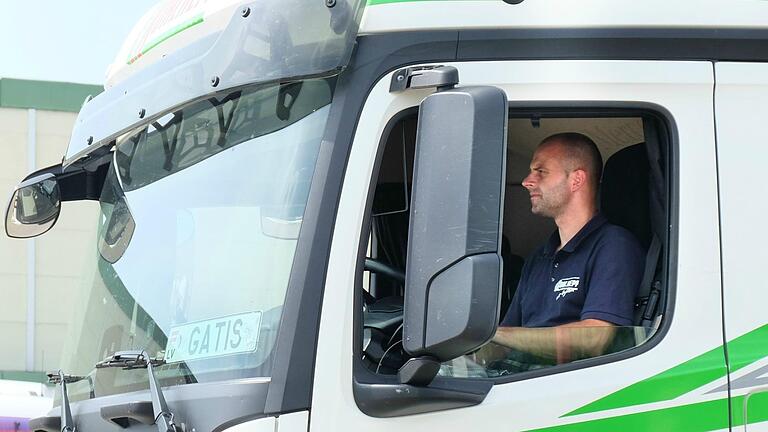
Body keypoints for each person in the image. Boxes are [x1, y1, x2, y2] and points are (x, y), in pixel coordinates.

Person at [491, 132, 644, 364]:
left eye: (540, 171)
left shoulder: (613, 245)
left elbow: (595, 337)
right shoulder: (539, 257)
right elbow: (501, 343)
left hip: (571, 391)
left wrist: (498, 335)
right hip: (522, 385)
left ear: (576, 180)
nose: (526, 181)